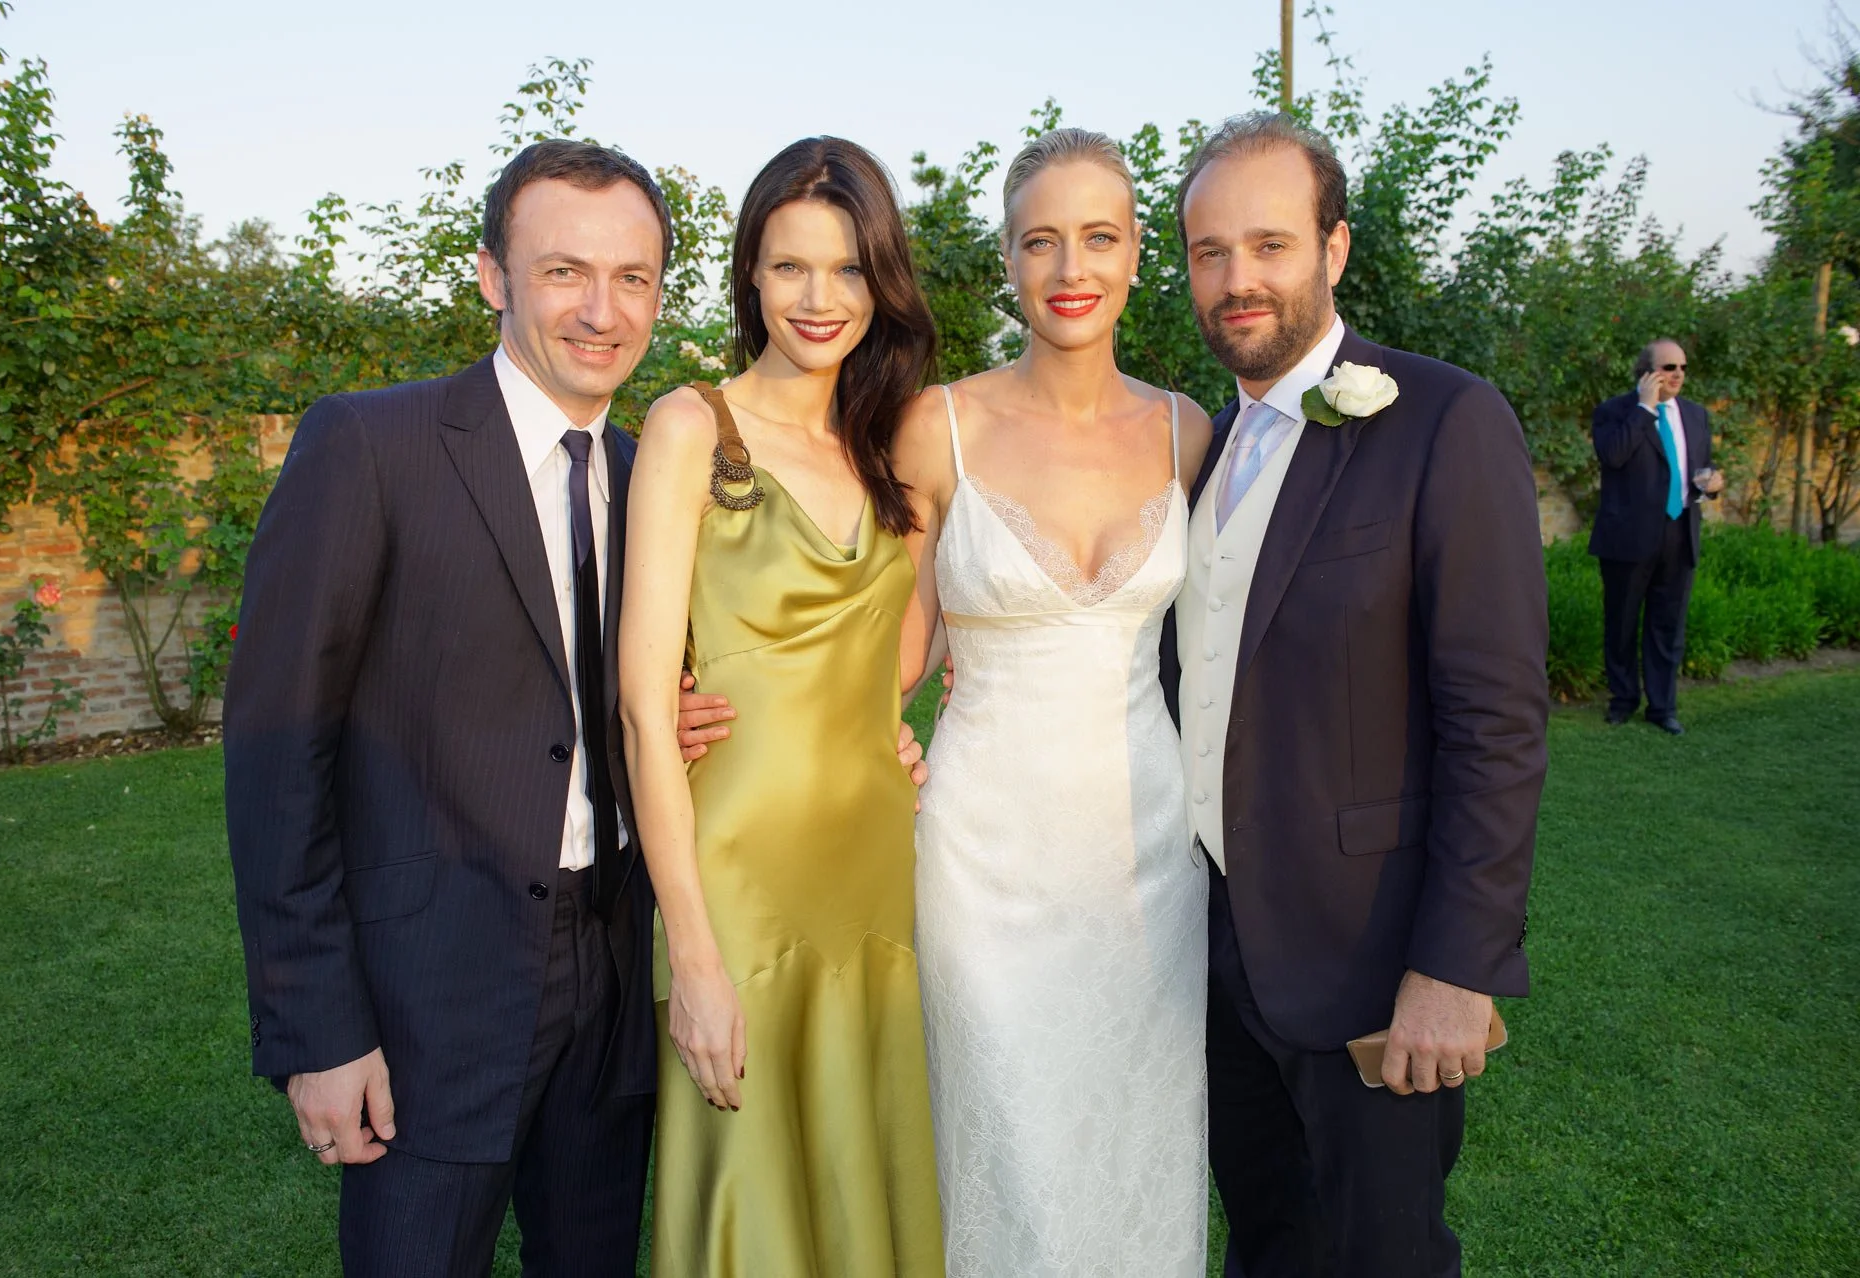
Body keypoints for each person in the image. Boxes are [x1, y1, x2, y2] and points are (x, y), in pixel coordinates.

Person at [225, 139, 926, 1277]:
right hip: (430, 992)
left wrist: (808, 723)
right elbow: (274, 755)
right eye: (565, 272)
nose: (603, 310)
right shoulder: (371, 447)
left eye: (634, 278)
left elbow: (665, 687)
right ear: (495, 275)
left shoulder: (655, 465)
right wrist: (321, 1032)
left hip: (612, 969)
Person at [1165, 112, 1548, 1277]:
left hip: (1375, 960)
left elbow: (1496, 723)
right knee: (1269, 1244)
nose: (1239, 281)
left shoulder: (1443, 419)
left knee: (1383, 1256)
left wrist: (1455, 967)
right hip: (1218, 948)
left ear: (1333, 250)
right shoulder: (1207, 443)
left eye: (1270, 246)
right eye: (1210, 253)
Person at [619, 136, 944, 1278]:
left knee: (868, 1179)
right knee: (751, 1202)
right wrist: (693, 959)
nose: (819, 299)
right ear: (749, 275)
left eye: (850, 270)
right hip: (740, 887)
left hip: (873, 875)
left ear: (882, 282)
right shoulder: (690, 429)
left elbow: (903, 657)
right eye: (790, 266)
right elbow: (645, 715)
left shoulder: (886, 448)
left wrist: (884, 738)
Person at [891, 128, 1213, 1277]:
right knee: (1001, 1132)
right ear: (1010, 262)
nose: (1070, 265)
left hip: (1146, 857)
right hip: (984, 856)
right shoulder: (940, 427)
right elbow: (900, 642)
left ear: (1137, 259)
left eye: (1099, 236)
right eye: (1042, 240)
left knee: (1134, 1139)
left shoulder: (1189, 432)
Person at [1589, 339, 1724, 735]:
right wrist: (1645, 409)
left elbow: (1699, 468)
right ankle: (1622, 700)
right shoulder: (1614, 411)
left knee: (1668, 626)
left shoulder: (1696, 415)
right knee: (1622, 623)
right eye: (1668, 367)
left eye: (1682, 367)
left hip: (1680, 532)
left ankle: (1663, 708)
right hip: (1627, 538)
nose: (1678, 374)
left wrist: (1711, 483)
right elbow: (1612, 456)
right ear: (1646, 372)